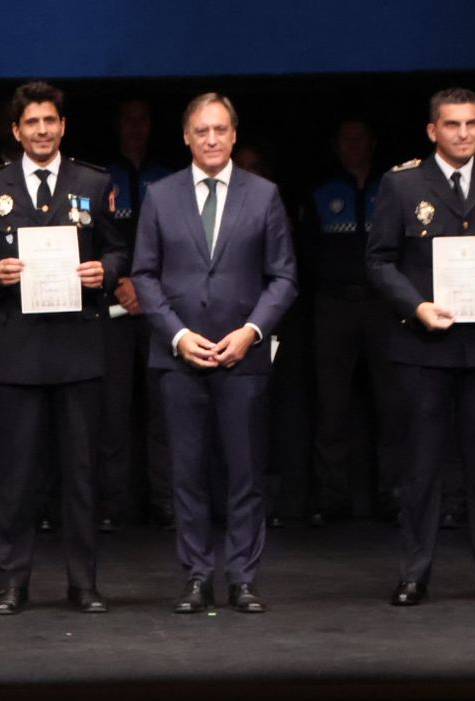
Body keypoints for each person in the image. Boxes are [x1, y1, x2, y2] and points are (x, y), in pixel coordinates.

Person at [0, 81, 126, 615]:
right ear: (16, 130)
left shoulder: (93, 182)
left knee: (79, 475)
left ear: (63, 126)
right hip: (16, 352)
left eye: (50, 121)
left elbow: (120, 249)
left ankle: (83, 584)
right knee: (14, 478)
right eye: (31, 123)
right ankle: (12, 583)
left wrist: (106, 270)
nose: (42, 130)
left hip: (77, 347)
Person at [131, 92, 298, 614]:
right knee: (187, 473)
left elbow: (285, 276)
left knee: (245, 473)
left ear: (233, 134)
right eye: (201, 131)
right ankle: (197, 576)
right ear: (186, 136)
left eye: (220, 130)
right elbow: (144, 274)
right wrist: (179, 336)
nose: (211, 139)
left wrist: (251, 331)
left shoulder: (264, 194)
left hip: (242, 355)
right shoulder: (159, 195)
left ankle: (243, 578)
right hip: (179, 357)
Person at [365, 88, 475, 607]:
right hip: (423, 343)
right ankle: (415, 573)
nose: (463, 133)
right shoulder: (402, 182)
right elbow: (378, 261)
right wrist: (415, 306)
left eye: (472, 124)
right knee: (421, 465)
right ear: (432, 130)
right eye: (452, 124)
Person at [303, 116, 400, 525]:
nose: (352, 146)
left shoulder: (391, 187)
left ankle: (393, 495)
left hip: (384, 307)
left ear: (372, 143)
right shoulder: (323, 192)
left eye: (359, 138)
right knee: (332, 406)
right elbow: (306, 253)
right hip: (334, 306)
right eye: (345, 139)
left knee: (393, 405)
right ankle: (332, 498)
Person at [100, 97, 173, 530]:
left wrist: (147, 287)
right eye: (127, 118)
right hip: (111, 304)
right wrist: (119, 283)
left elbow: (180, 244)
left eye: (142, 118)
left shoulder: (168, 178)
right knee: (113, 410)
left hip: (160, 306)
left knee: (164, 410)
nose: (135, 126)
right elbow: (91, 240)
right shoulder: (100, 177)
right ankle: (113, 503)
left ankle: (165, 500)